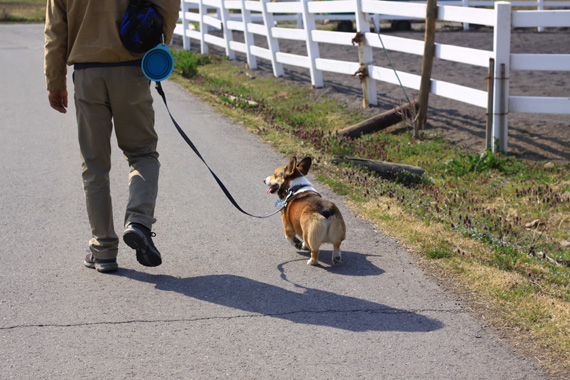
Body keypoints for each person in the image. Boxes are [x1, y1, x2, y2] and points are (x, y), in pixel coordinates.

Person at [44, 0, 181, 273]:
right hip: (131, 68)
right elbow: (169, 5)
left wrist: (55, 80)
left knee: (94, 166)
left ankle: (103, 250)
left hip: (87, 74)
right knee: (142, 153)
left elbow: (55, 31)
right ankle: (138, 221)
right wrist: (158, 41)